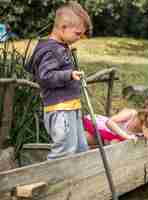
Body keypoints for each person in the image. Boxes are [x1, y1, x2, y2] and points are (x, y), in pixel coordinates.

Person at [25, 1, 92, 159]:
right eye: (77, 33)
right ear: (63, 28)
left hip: (70, 107)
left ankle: (77, 180)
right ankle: (52, 180)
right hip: (60, 109)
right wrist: (68, 75)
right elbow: (45, 77)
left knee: (81, 149)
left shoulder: (61, 47)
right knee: (64, 152)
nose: (79, 38)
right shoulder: (50, 50)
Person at [83, 102, 148, 145]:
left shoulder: (142, 133)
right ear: (147, 127)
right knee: (86, 139)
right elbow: (109, 121)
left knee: (115, 142)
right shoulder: (131, 114)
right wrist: (125, 136)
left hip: (108, 138)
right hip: (98, 126)